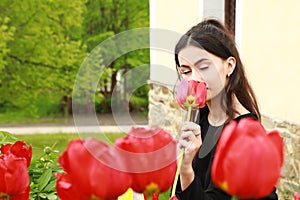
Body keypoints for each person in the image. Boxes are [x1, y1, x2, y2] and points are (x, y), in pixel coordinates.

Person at [174, 18, 278, 199]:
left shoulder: (246, 133)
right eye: (186, 71)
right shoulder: (199, 117)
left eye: (204, 67)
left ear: (229, 66)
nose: (194, 79)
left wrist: (186, 169)